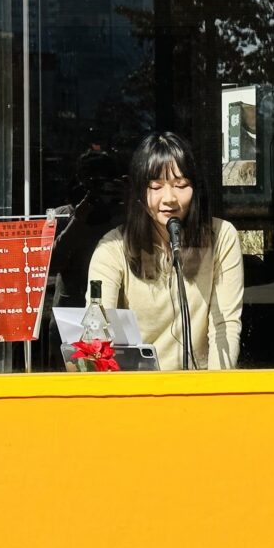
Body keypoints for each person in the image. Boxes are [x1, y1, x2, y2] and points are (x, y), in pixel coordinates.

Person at [88, 132, 243, 370]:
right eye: (155, 187)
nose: (169, 198)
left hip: (199, 389)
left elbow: (225, 325)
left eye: (180, 185)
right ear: (139, 192)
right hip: (135, 392)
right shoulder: (113, 248)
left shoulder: (221, 236)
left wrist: (214, 394)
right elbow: (97, 329)